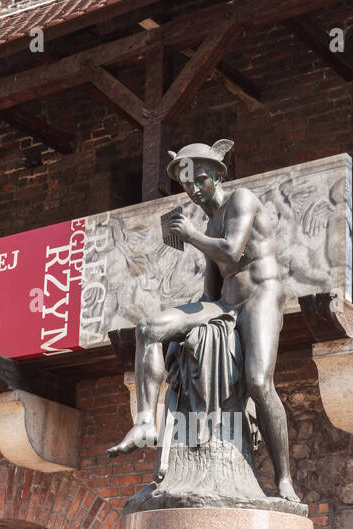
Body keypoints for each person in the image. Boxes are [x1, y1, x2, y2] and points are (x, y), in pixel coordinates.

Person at [106, 140, 297, 502]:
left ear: (218, 176)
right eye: (186, 183)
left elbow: (231, 250)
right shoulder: (209, 222)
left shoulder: (241, 200)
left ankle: (284, 477)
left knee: (258, 381)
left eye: (200, 180)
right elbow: (210, 294)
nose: (193, 189)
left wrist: (190, 235)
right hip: (226, 303)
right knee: (149, 329)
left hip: (261, 299)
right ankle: (145, 420)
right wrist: (181, 326)